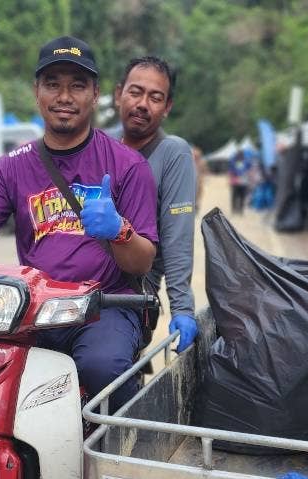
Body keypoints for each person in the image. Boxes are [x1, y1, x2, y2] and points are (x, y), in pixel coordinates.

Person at [0, 36, 158, 411]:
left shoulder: (128, 165)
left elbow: (142, 262)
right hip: (32, 307)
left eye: (77, 85)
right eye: (52, 84)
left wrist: (120, 231)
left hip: (104, 306)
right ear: (37, 91)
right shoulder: (11, 167)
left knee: (102, 368)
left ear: (95, 94)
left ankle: (119, 450)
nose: (64, 96)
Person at [114, 56, 198, 353]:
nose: (142, 104)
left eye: (155, 97)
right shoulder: (99, 145)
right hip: (78, 291)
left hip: (130, 297)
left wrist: (182, 308)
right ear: (118, 94)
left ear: (167, 107)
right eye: (135, 92)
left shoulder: (173, 153)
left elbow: (177, 238)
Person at [228, 149, 249, 215]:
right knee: (234, 196)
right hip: (235, 181)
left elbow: (248, 169)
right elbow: (230, 170)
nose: (240, 155)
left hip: (243, 181)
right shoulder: (233, 161)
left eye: (241, 154)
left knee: (242, 196)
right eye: (238, 154)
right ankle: (234, 209)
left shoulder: (246, 161)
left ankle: (241, 210)